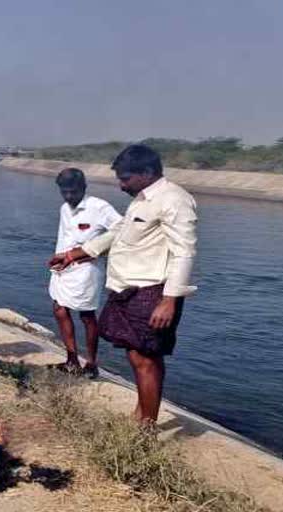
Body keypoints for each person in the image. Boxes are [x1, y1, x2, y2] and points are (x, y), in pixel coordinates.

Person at [52, 145, 197, 425]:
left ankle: (146, 427)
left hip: (152, 292)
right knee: (137, 356)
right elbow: (119, 232)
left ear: (147, 172)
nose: (121, 185)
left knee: (146, 359)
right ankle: (141, 413)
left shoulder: (174, 199)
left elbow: (184, 252)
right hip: (128, 291)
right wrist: (74, 255)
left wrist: (169, 300)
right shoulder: (142, 199)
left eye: (125, 178)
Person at [48, 168, 121, 379]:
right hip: (63, 267)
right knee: (59, 309)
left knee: (87, 315)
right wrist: (58, 259)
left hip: (87, 270)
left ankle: (91, 363)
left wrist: (97, 251)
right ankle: (71, 359)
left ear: (84, 188)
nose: (69, 197)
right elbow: (64, 236)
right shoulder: (64, 208)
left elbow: (123, 229)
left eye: (73, 192)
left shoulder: (99, 207)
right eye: (65, 192)